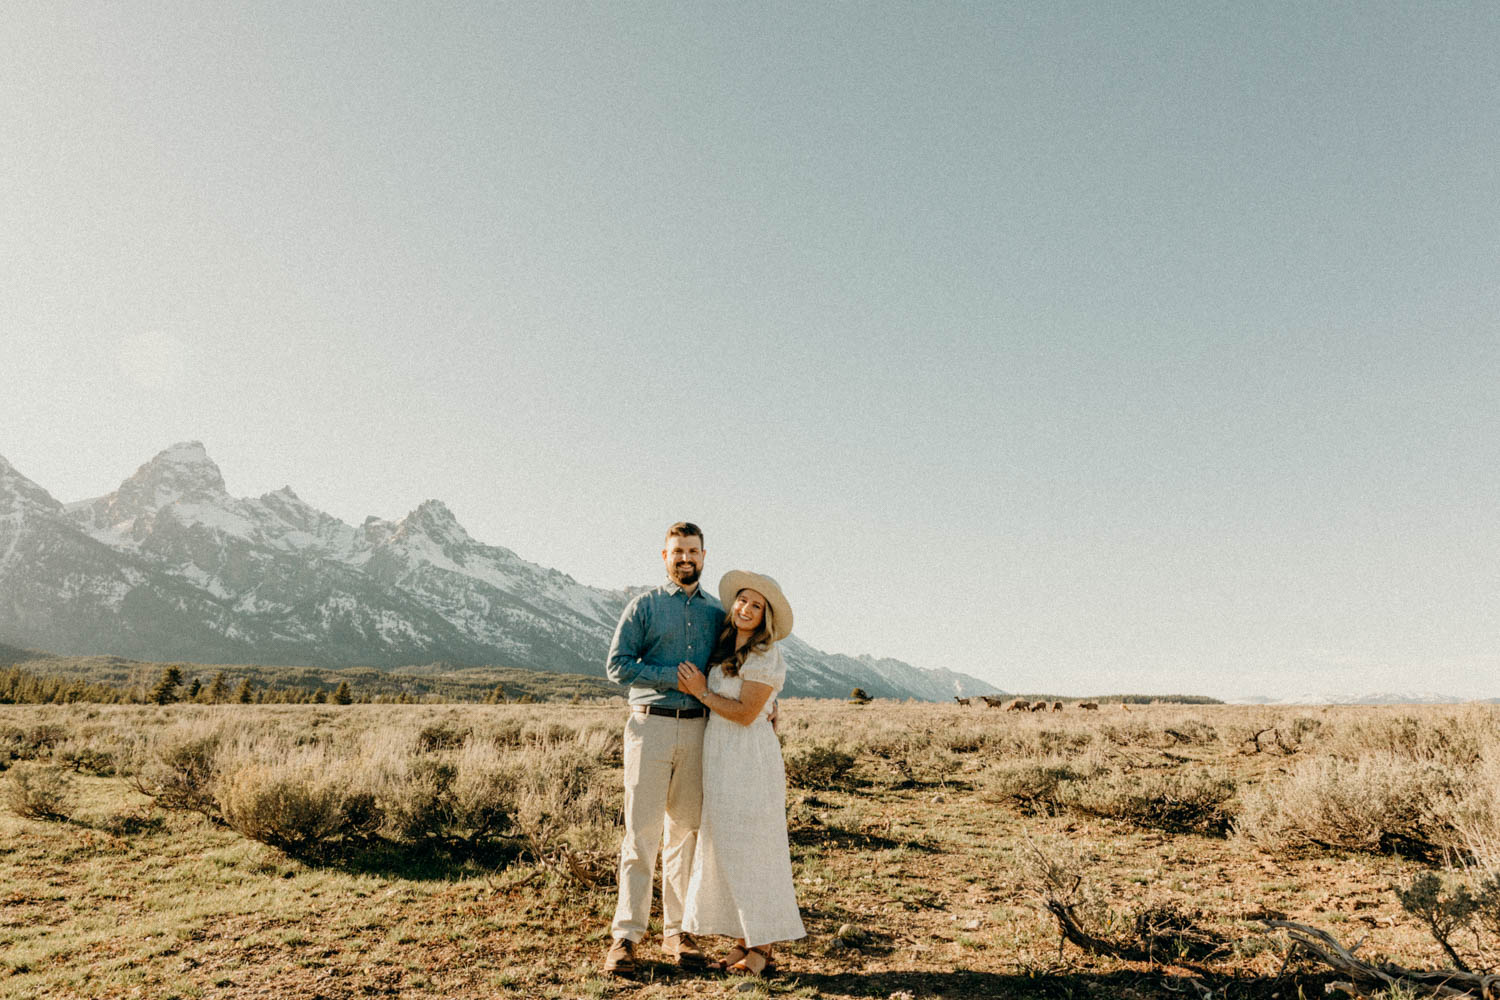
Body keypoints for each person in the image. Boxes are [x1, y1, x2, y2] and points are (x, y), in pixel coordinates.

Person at [602, 522, 723, 976]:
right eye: (677, 552)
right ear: (664, 556)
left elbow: (736, 666)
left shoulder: (718, 613)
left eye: (692, 551)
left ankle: (678, 931)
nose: (685, 558)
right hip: (649, 727)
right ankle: (626, 937)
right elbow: (617, 666)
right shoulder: (644, 607)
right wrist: (672, 677)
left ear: (704, 555)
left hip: (698, 731)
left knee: (685, 835)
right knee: (641, 836)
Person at [676, 570, 805, 977]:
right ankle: (741, 940)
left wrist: (700, 691)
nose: (746, 608)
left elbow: (748, 713)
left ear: (765, 615)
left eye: (756, 605)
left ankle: (762, 948)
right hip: (721, 755)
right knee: (729, 845)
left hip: (749, 758)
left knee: (754, 846)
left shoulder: (766, 654)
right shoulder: (727, 646)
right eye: (742, 600)